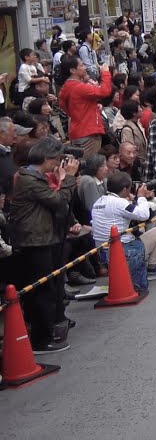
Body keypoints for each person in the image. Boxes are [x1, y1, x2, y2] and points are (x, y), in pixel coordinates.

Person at [7, 136, 79, 353]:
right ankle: (40, 339)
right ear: (47, 158)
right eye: (56, 159)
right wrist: (68, 179)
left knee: (45, 289)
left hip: (41, 238)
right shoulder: (29, 178)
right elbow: (58, 201)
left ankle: (45, 332)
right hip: (34, 241)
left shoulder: (33, 176)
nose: (58, 164)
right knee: (41, 291)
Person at [58, 56, 114, 157]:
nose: (85, 68)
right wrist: (105, 73)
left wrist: (90, 107)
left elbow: (64, 106)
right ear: (72, 70)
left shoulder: (66, 87)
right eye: (82, 65)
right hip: (88, 132)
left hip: (77, 130)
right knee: (90, 165)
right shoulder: (79, 87)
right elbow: (105, 91)